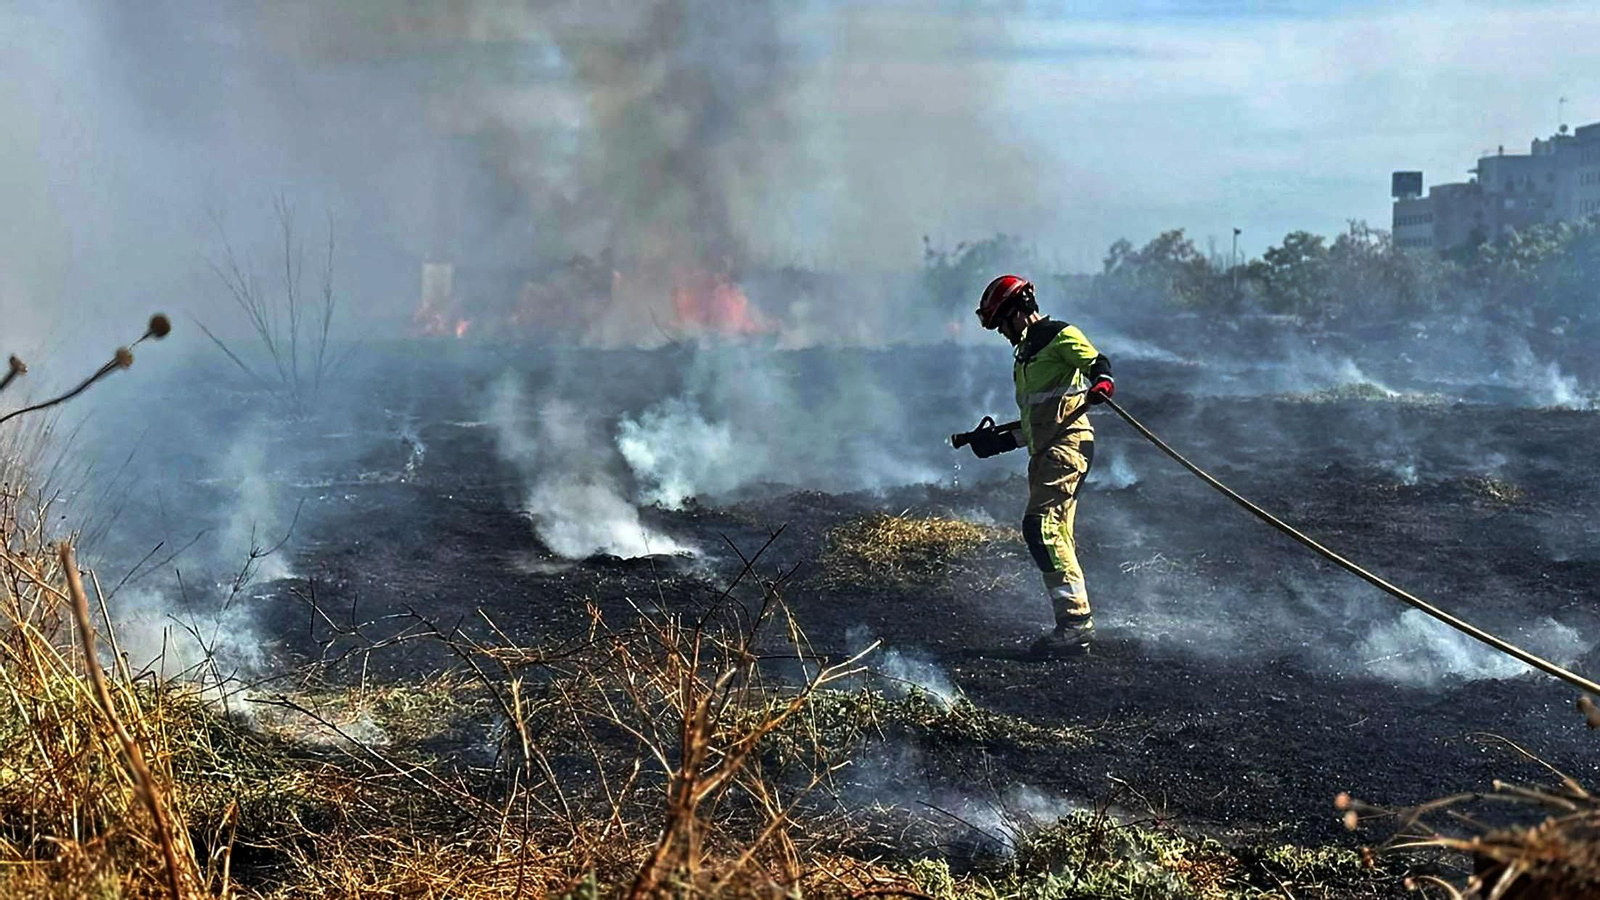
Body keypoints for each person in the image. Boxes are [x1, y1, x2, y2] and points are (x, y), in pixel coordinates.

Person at [967, 275, 1115, 656]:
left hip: (1068, 448)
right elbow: (1041, 420)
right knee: (1057, 533)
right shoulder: (1025, 358)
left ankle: (1075, 623)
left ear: (1019, 311)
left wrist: (1102, 383)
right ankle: (1074, 621)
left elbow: (1096, 361)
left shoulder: (1058, 334)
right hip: (1048, 452)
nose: (1001, 332)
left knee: (1040, 526)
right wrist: (998, 441)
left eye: (1001, 322)